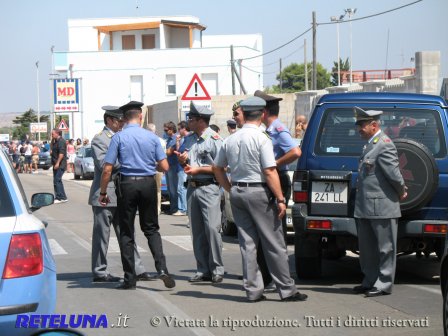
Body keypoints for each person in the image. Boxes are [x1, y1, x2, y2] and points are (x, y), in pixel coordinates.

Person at [213, 96, 307, 302]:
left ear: (244, 115)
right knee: (274, 242)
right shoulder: (261, 137)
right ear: (262, 114)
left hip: (238, 191)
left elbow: (217, 168)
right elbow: (270, 171)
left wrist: (229, 188)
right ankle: (287, 289)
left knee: (247, 243)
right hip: (259, 192)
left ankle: (253, 290)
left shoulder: (230, 139)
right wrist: (281, 198)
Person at [99, 101, 175, 290]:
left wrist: (102, 192)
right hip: (148, 183)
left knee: (127, 232)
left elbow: (107, 169)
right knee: (151, 229)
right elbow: (165, 167)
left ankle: (130, 279)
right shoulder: (152, 137)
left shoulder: (118, 137)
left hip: (127, 184)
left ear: (124, 119)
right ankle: (162, 268)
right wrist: (149, 165)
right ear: (140, 117)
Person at [89, 106, 154, 283]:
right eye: (119, 120)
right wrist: (126, 159)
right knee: (102, 235)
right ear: (110, 120)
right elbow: (104, 165)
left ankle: (137, 268)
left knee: (127, 233)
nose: (122, 123)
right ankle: (100, 271)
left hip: (123, 193)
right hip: (105, 193)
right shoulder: (100, 139)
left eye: (124, 120)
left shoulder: (122, 137)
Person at [352, 106, 407, 297]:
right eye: (358, 124)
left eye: (362, 125)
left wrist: (401, 191)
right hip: (366, 205)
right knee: (367, 249)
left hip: (382, 206)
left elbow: (394, 174)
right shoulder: (370, 143)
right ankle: (369, 281)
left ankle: (383, 284)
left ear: (374, 125)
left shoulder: (384, 144)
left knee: (386, 248)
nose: (359, 129)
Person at [176, 102, 224, 283]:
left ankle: (217, 269)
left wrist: (199, 170)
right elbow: (185, 164)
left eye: (192, 119)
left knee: (212, 229)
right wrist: (182, 161)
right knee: (197, 231)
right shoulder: (188, 139)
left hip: (209, 188)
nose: (188, 121)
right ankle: (202, 269)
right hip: (192, 188)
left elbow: (222, 168)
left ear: (201, 121)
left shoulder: (215, 139)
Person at [255, 90, 301, 242]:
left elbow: (295, 151)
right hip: (271, 180)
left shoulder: (278, 129)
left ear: (264, 112)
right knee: (269, 227)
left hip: (279, 179)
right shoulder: (268, 129)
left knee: (276, 228)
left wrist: (275, 163)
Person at [147, 123, 167, 216]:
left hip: (148, 167)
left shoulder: (145, 140)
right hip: (158, 167)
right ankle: (158, 208)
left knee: (147, 189)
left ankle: (149, 208)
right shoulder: (161, 141)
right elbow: (164, 156)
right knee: (158, 190)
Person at [163, 121, 179, 215]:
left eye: (166, 130)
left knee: (174, 189)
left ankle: (175, 208)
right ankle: (172, 207)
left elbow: (169, 152)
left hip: (174, 166)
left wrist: (163, 151)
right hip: (168, 166)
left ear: (171, 129)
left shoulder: (175, 138)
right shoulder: (168, 139)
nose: (165, 132)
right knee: (170, 189)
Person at [176, 121, 189, 216]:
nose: (178, 131)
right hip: (180, 167)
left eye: (179, 129)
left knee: (182, 188)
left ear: (184, 128)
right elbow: (179, 150)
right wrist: (177, 141)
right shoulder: (183, 139)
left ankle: (184, 209)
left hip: (183, 167)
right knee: (180, 188)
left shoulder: (189, 138)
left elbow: (186, 152)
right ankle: (183, 208)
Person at [51, 128, 68, 203]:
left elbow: (61, 154)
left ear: (57, 133)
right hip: (55, 164)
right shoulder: (55, 141)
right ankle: (62, 197)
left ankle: (60, 197)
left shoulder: (61, 141)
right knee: (56, 181)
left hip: (60, 165)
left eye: (53, 134)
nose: (52, 135)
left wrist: (58, 163)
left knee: (57, 180)